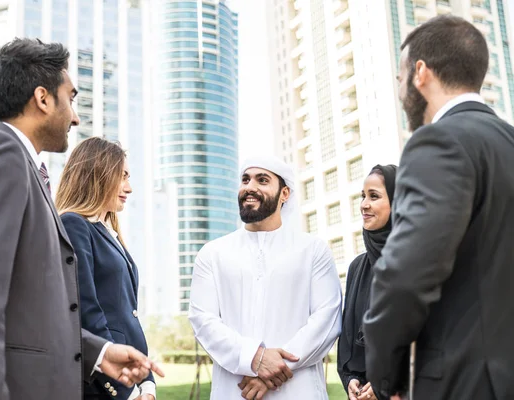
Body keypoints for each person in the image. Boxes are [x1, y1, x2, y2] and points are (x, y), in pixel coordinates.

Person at [0, 38, 162, 400]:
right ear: (43, 98)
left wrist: (98, 352)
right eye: (71, 97)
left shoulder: (24, 167)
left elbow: (27, 312)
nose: (75, 117)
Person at [362, 15, 514, 400]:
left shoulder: (438, 143)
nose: (400, 93)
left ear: (420, 73)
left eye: (399, 80)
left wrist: (385, 378)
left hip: (470, 384)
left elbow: (405, 276)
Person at [188, 156, 342, 399]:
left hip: (298, 390)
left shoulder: (313, 250)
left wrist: (274, 368)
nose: (250, 187)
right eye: (245, 180)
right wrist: (255, 358)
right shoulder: (213, 253)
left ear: (284, 193)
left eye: (262, 180)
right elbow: (203, 320)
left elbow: (327, 319)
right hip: (234, 392)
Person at [56, 137, 156, 400]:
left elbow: (127, 317)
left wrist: (147, 383)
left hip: (131, 379)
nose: (129, 187)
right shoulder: (74, 225)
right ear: (98, 175)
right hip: (101, 386)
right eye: (122, 176)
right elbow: (88, 314)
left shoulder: (107, 232)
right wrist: (126, 391)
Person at [337, 164, 397, 400]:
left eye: (374, 196)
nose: (363, 205)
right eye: (363, 196)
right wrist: (351, 378)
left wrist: (388, 381)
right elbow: (349, 337)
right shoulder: (357, 267)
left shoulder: (421, 262)